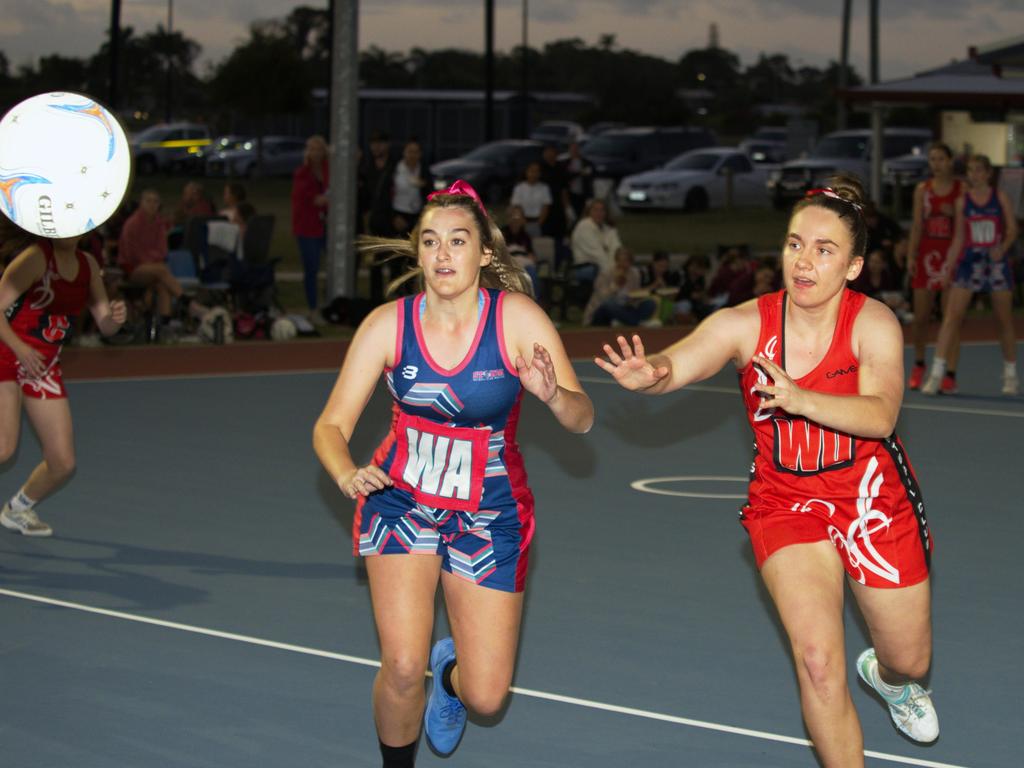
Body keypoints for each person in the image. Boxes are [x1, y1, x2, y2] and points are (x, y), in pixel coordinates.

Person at [596, 176, 938, 767]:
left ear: (853, 267)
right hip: (785, 500)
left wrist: (801, 397)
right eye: (795, 243)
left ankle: (888, 679)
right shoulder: (746, 324)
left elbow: (880, 415)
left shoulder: (874, 323)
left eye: (824, 250)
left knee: (909, 658)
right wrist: (650, 372)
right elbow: (679, 361)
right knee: (816, 659)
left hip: (869, 495)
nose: (804, 261)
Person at [313, 180, 593, 768]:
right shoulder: (388, 325)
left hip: (490, 512)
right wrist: (344, 473)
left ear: (484, 253)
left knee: (487, 696)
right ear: (418, 252)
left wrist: (551, 395)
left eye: (458, 241)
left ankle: (452, 676)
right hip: (401, 500)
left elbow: (582, 418)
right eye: (432, 241)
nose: (443, 255)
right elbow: (330, 427)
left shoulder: (517, 319)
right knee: (401, 665)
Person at [0, 232, 127, 536]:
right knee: (3, 448)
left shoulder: (87, 264)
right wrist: (20, 348)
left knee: (62, 462)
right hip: (6, 355)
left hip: (42, 367)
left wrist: (116, 320)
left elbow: (105, 324)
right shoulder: (35, 258)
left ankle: (16, 510)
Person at [921, 154, 1020, 396]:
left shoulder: (1000, 198)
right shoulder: (962, 202)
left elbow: (1012, 229)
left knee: (1003, 321)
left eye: (978, 170)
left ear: (988, 173)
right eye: (970, 170)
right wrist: (947, 268)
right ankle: (936, 374)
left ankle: (1010, 375)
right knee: (951, 318)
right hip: (969, 263)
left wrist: (1003, 247)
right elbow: (959, 238)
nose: (973, 175)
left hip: (995, 264)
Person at [905, 143, 963, 393]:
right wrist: (911, 254)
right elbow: (917, 224)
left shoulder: (961, 190)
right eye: (932, 159)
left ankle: (950, 372)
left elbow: (967, 224)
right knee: (921, 317)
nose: (936, 164)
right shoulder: (923, 190)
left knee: (951, 318)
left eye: (941, 159)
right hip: (928, 254)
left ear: (950, 161)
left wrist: (954, 214)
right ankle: (919, 364)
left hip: (952, 256)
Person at [117, 189, 185, 326]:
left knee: (162, 284)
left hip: (154, 269)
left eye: (155, 201)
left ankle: (164, 325)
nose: (152, 204)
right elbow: (132, 255)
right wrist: (151, 260)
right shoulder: (132, 224)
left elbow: (163, 251)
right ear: (141, 203)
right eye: (148, 201)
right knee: (161, 270)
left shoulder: (160, 224)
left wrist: (151, 260)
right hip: (133, 269)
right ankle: (185, 300)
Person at [291, 134, 330, 315]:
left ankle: (329, 303)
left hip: (326, 226)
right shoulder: (302, 173)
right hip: (307, 227)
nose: (315, 153)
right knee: (311, 267)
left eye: (319, 149)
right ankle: (312, 306)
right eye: (312, 149)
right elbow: (310, 199)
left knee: (331, 265)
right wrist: (324, 199)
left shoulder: (329, 170)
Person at [582, 247, 659, 327]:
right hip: (603, 311)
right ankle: (637, 323)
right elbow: (602, 298)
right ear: (616, 261)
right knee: (609, 304)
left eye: (626, 261)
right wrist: (616, 285)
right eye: (620, 261)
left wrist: (638, 296)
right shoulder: (606, 273)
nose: (623, 264)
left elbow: (635, 294)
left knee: (650, 303)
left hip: (626, 307)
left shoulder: (635, 273)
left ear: (630, 262)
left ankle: (623, 321)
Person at [391, 139, 432, 237]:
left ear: (420, 154)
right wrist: (393, 216)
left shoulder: (424, 170)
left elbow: (429, 193)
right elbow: (385, 195)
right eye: (409, 151)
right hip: (398, 214)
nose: (412, 155)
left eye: (416, 152)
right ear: (404, 152)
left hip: (417, 215)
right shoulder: (394, 169)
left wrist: (425, 184)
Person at [509, 161, 551, 239]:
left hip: (540, 222)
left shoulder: (544, 188)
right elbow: (516, 207)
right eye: (531, 171)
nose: (534, 174)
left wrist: (538, 223)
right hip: (523, 221)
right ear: (526, 172)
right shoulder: (519, 188)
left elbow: (546, 207)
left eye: (537, 171)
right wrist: (523, 222)